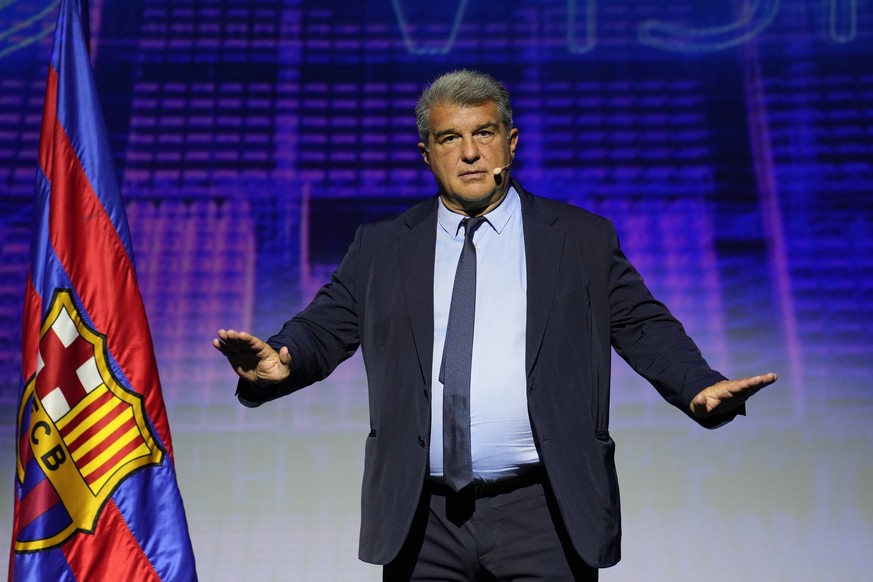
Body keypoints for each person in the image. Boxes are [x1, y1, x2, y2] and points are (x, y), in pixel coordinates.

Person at [213, 69, 777, 581]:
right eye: (448, 139)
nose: (469, 154)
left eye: (483, 133)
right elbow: (324, 327)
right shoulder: (382, 247)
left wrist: (698, 384)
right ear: (426, 154)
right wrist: (279, 362)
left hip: (547, 513)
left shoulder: (579, 239)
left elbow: (642, 324)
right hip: (421, 518)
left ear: (511, 142)